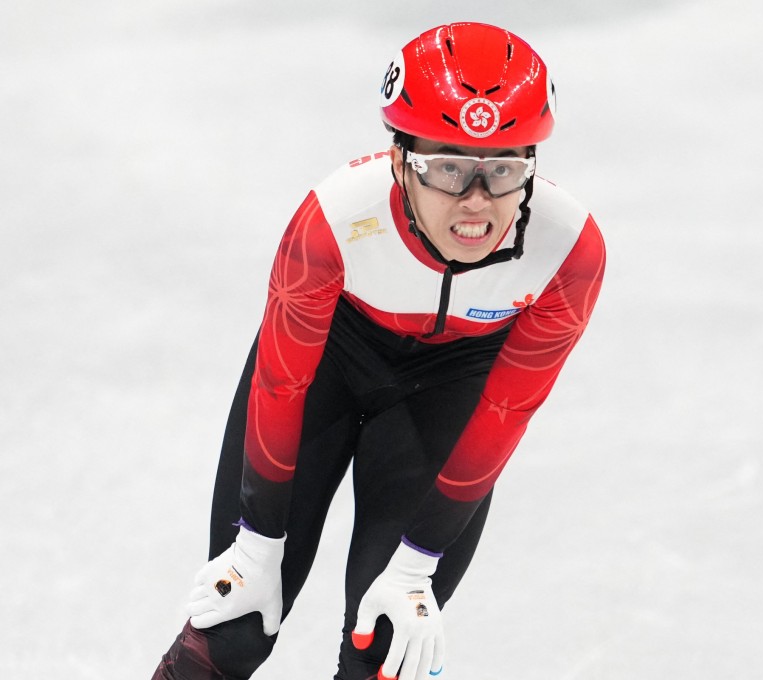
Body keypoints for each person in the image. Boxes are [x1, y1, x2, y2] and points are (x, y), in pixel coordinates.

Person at [152, 21, 606, 680]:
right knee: (234, 629)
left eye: (503, 170)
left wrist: (420, 562)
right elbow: (282, 386)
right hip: (328, 366)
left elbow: (506, 411)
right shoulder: (333, 220)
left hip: (453, 383)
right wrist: (254, 543)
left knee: (385, 649)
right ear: (399, 161)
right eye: (448, 168)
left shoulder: (570, 252)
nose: (476, 202)